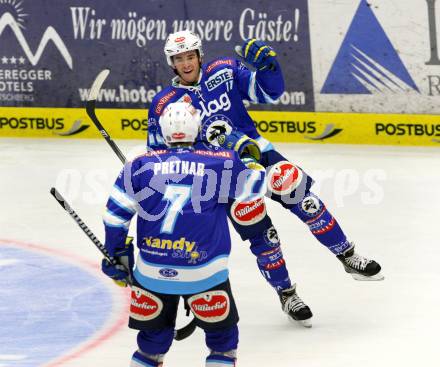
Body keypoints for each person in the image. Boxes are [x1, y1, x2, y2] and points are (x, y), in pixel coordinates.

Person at [147, 30, 383, 326]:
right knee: (264, 238)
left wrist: (270, 68)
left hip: (260, 155)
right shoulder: (163, 104)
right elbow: (161, 155)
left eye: (190, 56)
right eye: (179, 58)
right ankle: (287, 294)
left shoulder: (224, 71)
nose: (186, 63)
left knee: (308, 204)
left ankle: (347, 255)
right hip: (224, 178)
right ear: (171, 63)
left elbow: (268, 92)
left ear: (199, 56)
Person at [101, 102, 266, 366]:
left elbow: (114, 217)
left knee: (150, 348)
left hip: (152, 272)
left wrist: (116, 255)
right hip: (204, 273)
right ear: (197, 128)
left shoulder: (138, 164)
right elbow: (255, 188)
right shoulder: (221, 161)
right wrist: (249, 161)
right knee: (222, 346)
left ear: (164, 132)